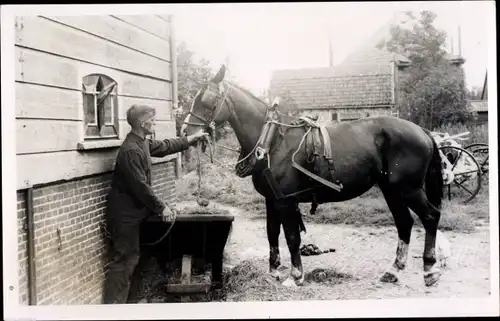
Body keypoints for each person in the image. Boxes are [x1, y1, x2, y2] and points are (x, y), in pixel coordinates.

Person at [103, 104, 208, 304]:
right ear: (142, 123)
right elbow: (140, 188)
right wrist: (162, 207)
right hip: (125, 218)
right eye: (152, 119)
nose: (155, 122)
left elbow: (165, 146)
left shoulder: (141, 142)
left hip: (136, 214)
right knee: (124, 263)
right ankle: (112, 311)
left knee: (135, 261)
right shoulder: (131, 151)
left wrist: (189, 140)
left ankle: (129, 306)